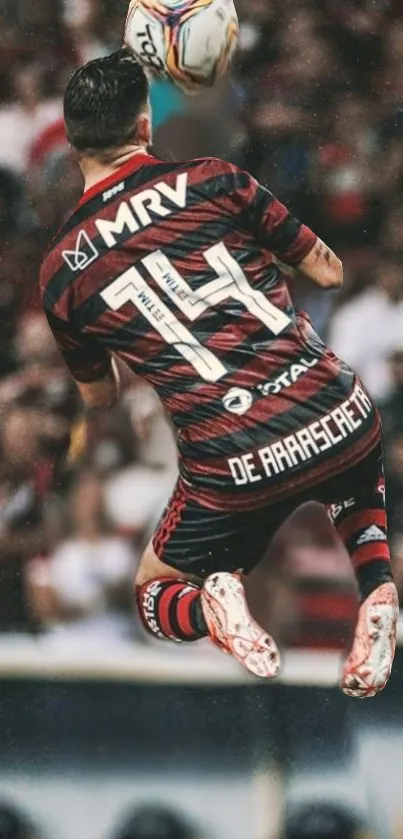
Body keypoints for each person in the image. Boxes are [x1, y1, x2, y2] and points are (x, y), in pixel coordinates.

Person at [40, 48, 398, 698]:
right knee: (354, 469)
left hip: (236, 458)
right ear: (144, 126)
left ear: (71, 141)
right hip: (337, 409)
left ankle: (212, 606)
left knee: (154, 591)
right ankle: (376, 587)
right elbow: (329, 273)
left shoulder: (62, 272)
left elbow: (98, 397)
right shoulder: (214, 178)